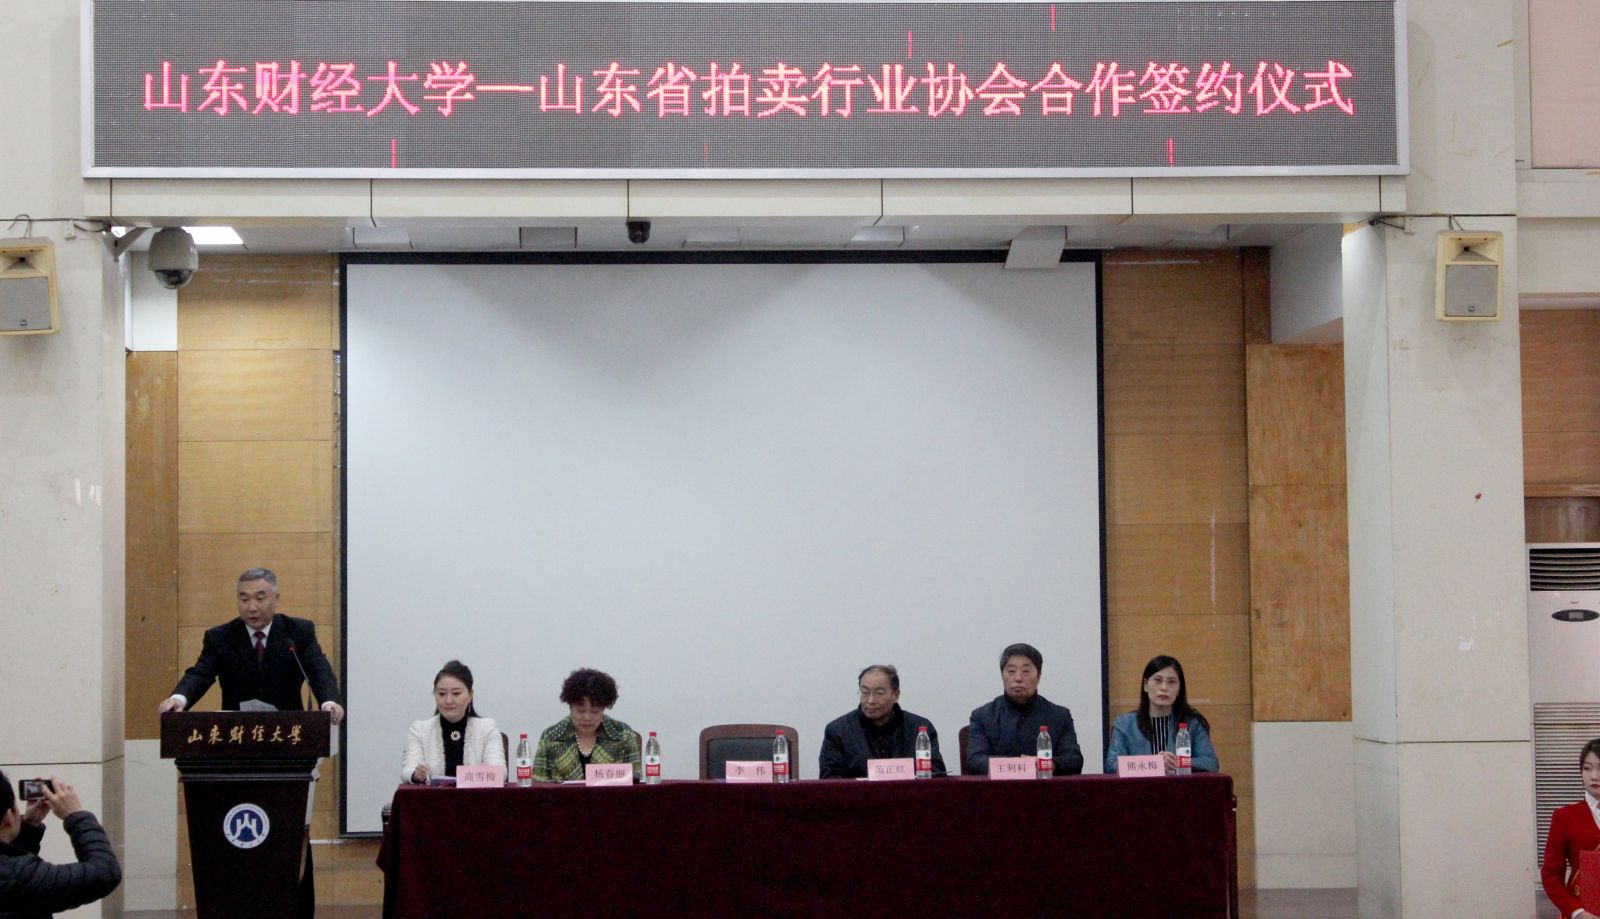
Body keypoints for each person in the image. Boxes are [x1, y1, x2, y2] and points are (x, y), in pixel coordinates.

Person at [157, 568, 344, 723]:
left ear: (276, 598)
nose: (252, 607)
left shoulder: (298, 632)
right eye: (244, 599)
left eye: (260, 599)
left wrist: (329, 702)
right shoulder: (220, 637)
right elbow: (200, 674)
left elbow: (318, 671)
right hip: (237, 733)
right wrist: (178, 699)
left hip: (288, 731)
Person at [0, 772, 121, 918]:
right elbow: (104, 873)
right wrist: (76, 815)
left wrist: (29, 827)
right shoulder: (18, 877)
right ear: (8, 816)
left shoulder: (14, 876)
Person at [966, 642, 1083, 775]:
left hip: (1044, 786)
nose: (1018, 678)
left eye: (1026, 671)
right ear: (1002, 676)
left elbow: (1074, 760)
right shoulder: (982, 716)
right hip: (1000, 787)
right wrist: (1018, 766)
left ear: (1039, 676)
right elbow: (975, 761)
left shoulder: (1059, 716)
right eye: (1011, 671)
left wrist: (1048, 765)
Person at [819, 664, 947, 778]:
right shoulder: (838, 731)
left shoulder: (920, 729)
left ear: (895, 695)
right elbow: (831, 783)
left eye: (879, 693)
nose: (870, 700)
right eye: (865, 692)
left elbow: (937, 776)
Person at [1105, 655, 1219, 774]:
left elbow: (1211, 764)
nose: (1164, 688)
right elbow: (1112, 765)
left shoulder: (1192, 724)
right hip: (1140, 786)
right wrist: (1155, 764)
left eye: (1171, 682)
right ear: (1145, 685)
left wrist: (1179, 762)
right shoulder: (1124, 724)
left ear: (1179, 689)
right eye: (1158, 680)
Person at [401, 660, 506, 783]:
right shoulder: (419, 730)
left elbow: (501, 772)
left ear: (470, 695)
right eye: (442, 694)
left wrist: (489, 772)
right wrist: (416, 774)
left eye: (456, 693)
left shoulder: (487, 728)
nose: (448, 701)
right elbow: (407, 771)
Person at [531, 669, 641, 782]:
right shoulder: (551, 737)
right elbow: (537, 784)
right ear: (570, 706)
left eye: (594, 712)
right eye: (580, 710)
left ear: (604, 708)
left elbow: (636, 782)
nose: (587, 718)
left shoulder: (622, 735)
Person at [1543, 737, 1600, 918]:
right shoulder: (1565, 817)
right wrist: (1577, 912)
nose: (1594, 776)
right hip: (1583, 912)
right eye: (1587, 768)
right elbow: (1551, 875)